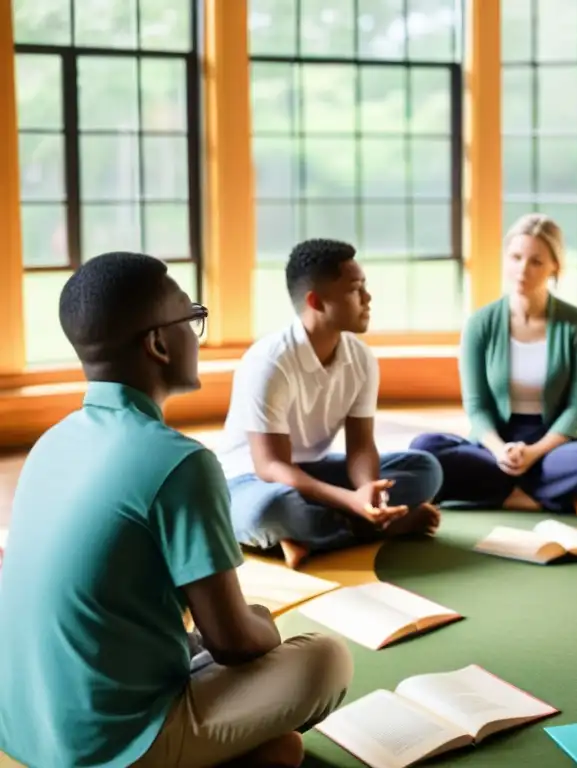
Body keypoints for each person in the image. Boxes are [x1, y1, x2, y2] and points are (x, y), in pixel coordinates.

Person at [0, 252, 353, 768]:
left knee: (279, 744)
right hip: (105, 747)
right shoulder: (180, 463)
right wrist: (263, 623)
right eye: (193, 318)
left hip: (24, 726)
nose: (197, 332)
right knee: (325, 660)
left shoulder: (50, 443)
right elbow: (232, 641)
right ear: (159, 343)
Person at [218, 238, 444, 569]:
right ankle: (374, 527)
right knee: (269, 511)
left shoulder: (361, 358)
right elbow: (272, 467)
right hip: (251, 480)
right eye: (356, 290)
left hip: (312, 472)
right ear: (316, 302)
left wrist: (368, 491)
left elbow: (361, 446)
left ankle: (306, 536)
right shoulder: (270, 361)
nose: (368, 299)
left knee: (426, 468)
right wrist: (349, 501)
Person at [410, 213, 577, 516]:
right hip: (493, 446)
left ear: (555, 266)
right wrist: (499, 450)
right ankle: (545, 497)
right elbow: (476, 406)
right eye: (516, 257)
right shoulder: (480, 323)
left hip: (553, 445)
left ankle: (502, 494)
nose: (523, 270)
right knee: (425, 448)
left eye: (536, 261)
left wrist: (533, 453)